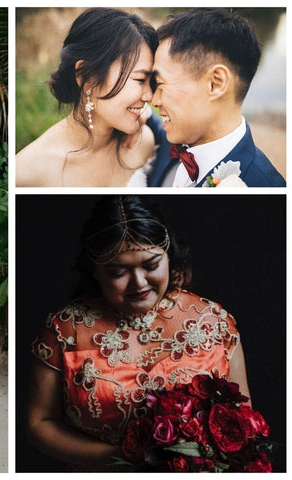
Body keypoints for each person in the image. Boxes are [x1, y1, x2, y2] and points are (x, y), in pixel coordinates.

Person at [27, 195, 250, 471]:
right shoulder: (66, 330)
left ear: (169, 256)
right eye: (118, 272)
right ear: (95, 271)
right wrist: (121, 460)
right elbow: (40, 422)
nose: (139, 283)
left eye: (151, 265)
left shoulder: (214, 323)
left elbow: (242, 421)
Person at [16, 8, 158, 187]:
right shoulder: (27, 173)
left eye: (151, 82)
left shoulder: (142, 143)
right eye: (140, 79)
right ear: (86, 76)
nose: (149, 96)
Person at [147, 8, 285, 187]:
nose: (154, 100)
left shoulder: (265, 188)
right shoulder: (171, 143)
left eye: (160, 82)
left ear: (215, 83)